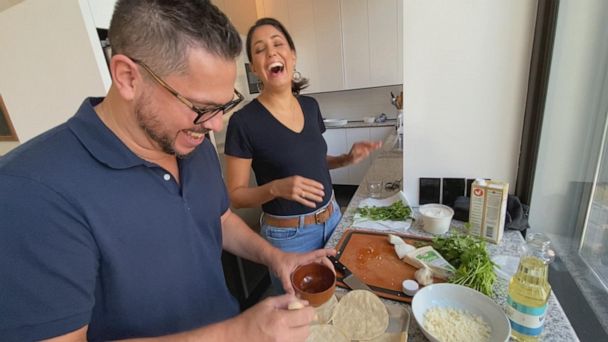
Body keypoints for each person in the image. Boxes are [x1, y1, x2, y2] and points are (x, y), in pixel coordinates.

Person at [0, 1, 334, 341]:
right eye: (201, 108)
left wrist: (277, 257)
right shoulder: (29, 191)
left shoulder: (191, 140)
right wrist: (235, 334)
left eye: (223, 105)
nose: (216, 124)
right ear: (128, 77)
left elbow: (219, 219)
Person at [224, 18, 381, 292]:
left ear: (292, 56)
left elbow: (313, 163)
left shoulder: (310, 106)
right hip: (288, 237)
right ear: (254, 67)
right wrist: (276, 188)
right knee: (303, 317)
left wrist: (345, 159)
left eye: (277, 44)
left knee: (345, 299)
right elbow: (235, 195)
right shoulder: (244, 122)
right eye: (260, 49)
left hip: (333, 217)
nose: (271, 52)